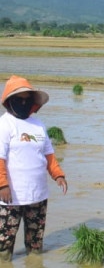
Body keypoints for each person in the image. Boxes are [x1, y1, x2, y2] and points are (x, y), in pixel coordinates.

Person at [0, 76, 68, 260]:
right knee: (4, 246)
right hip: (11, 196)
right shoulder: (4, 125)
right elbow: (0, 158)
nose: (23, 103)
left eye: (26, 99)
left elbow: (48, 155)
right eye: (18, 100)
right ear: (9, 102)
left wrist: (58, 175)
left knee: (36, 245)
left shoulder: (38, 125)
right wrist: (2, 185)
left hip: (38, 195)